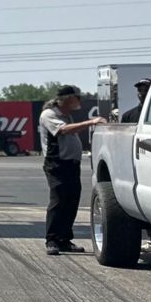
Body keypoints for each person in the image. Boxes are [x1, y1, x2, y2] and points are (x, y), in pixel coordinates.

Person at [39, 86, 106, 255]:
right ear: (68, 99)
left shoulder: (65, 115)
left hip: (70, 163)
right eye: (77, 98)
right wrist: (91, 122)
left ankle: (64, 239)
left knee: (72, 200)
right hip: (57, 163)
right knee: (59, 199)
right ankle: (52, 239)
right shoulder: (49, 114)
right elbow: (62, 130)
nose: (79, 101)